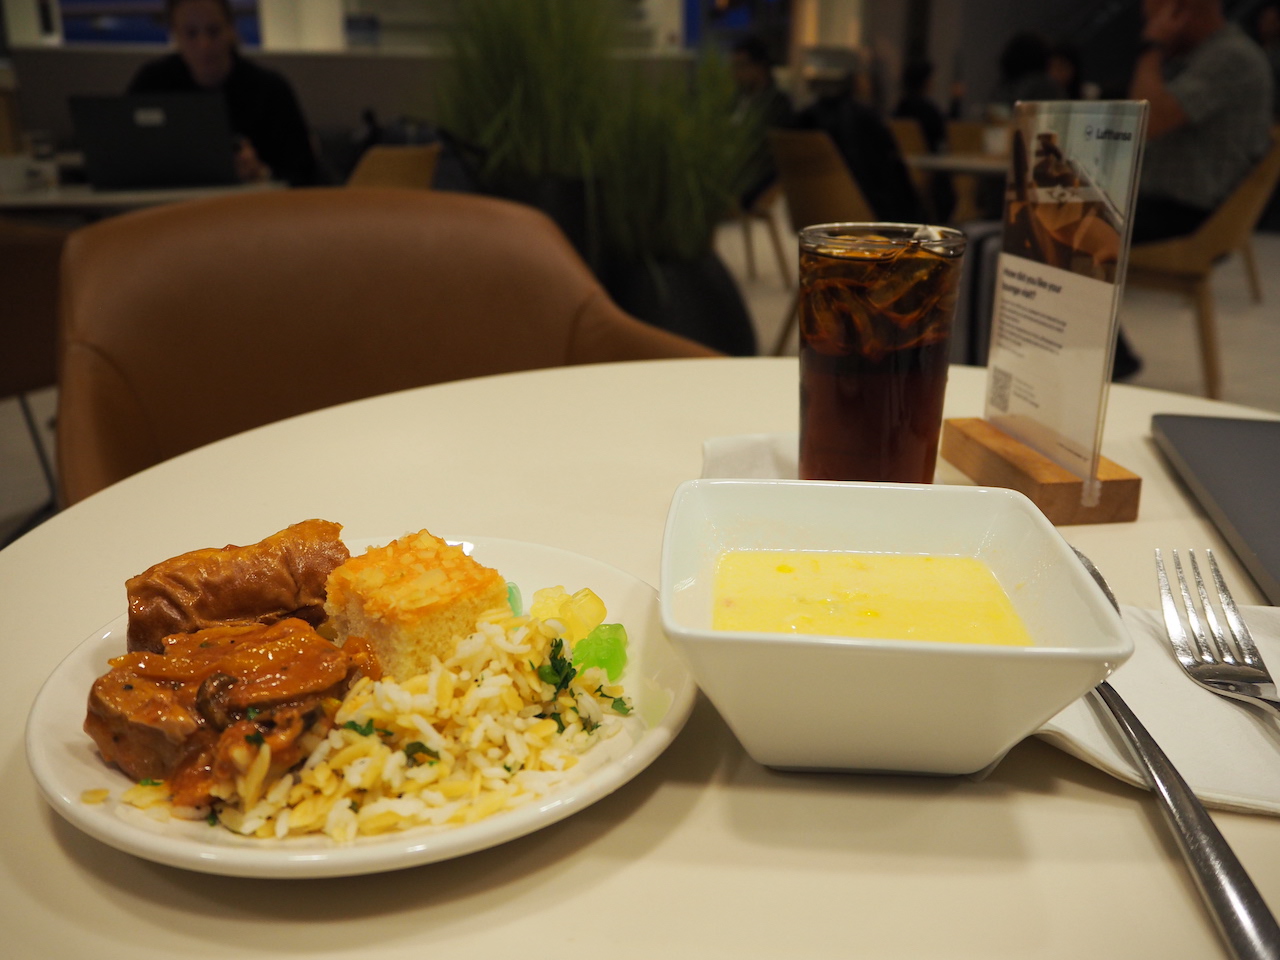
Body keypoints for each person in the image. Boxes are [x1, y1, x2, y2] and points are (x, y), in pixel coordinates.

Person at [1116, 0, 1273, 378]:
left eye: (1153, 17)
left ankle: (1111, 362)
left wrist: (1150, 47)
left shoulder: (1230, 57)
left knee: (1055, 233)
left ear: (1180, 11)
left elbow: (1146, 120)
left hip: (1189, 216)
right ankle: (1109, 359)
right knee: (1047, 221)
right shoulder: (1206, 56)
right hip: (1175, 206)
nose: (1148, 27)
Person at [127, 0, 319, 186]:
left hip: (250, 210)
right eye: (191, 34)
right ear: (175, 36)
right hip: (164, 208)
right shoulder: (152, 84)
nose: (204, 45)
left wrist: (261, 173)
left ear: (231, 30)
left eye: (213, 31)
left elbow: (305, 174)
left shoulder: (269, 90)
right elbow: (124, 152)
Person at [794, 53, 927, 223]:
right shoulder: (863, 119)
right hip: (863, 210)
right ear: (855, 80)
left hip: (811, 209)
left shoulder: (804, 118)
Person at [730, 35, 794, 210]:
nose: (736, 72)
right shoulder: (736, 100)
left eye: (741, 66)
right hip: (731, 174)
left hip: (754, 181)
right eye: (734, 66)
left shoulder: (776, 104)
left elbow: (767, 155)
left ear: (760, 67)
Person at [893, 59, 956, 221]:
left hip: (902, 176)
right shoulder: (930, 111)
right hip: (927, 177)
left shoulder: (899, 109)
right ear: (927, 81)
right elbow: (942, 143)